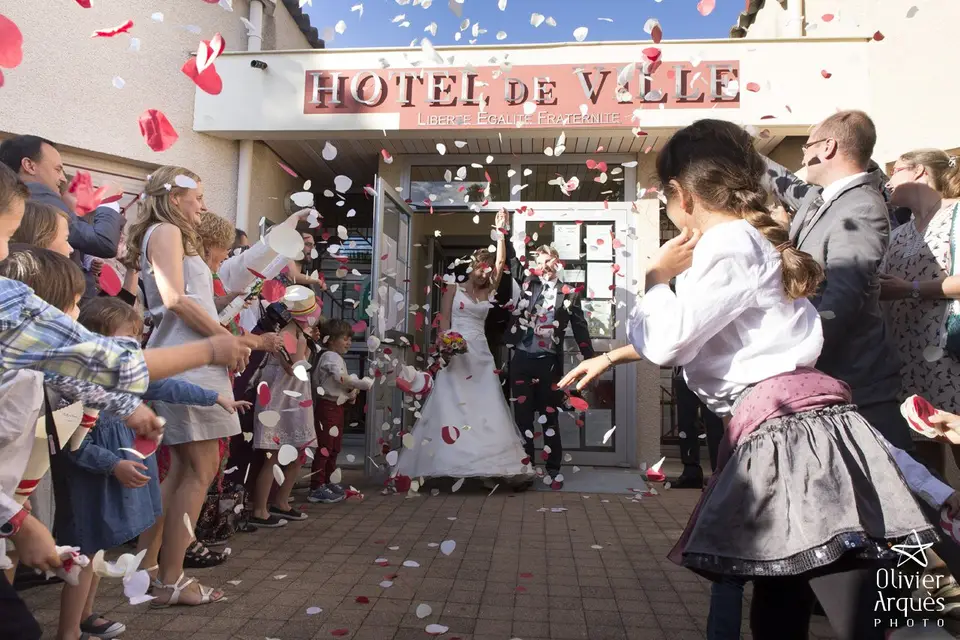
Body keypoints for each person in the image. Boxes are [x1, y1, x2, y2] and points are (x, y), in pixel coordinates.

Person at [560, 119, 935, 640]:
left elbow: (671, 341)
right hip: (785, 425)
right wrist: (619, 350)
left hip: (790, 429)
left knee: (828, 596)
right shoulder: (740, 242)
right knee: (788, 589)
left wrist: (654, 277)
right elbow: (711, 333)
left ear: (681, 195)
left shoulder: (732, 242)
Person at [127, 166, 297, 607]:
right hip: (191, 366)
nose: (202, 205)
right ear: (172, 195)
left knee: (183, 474)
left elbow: (190, 302)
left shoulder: (168, 236)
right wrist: (225, 338)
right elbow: (175, 300)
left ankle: (150, 572)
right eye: (197, 196)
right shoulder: (165, 230)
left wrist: (227, 335)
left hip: (189, 363)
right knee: (196, 475)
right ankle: (171, 580)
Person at [52, 297, 249, 640]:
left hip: (108, 484)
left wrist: (215, 397)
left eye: (136, 342)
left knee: (97, 551)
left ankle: (85, 616)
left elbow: (166, 385)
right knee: (83, 556)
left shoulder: (124, 378)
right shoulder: (78, 385)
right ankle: (68, 631)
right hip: (87, 488)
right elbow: (73, 446)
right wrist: (113, 464)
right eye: (124, 342)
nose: (133, 351)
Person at [761, 110, 911, 451]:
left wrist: (794, 358)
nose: (802, 155)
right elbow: (784, 183)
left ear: (827, 147)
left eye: (807, 146)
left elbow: (843, 299)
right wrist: (735, 144)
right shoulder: (825, 197)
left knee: (904, 479)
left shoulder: (861, 207)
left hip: (857, 376)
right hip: (838, 375)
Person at [395, 210, 531, 483]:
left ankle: (489, 465)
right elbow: (444, 319)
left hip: (480, 355)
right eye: (481, 269)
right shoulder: (452, 288)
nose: (484, 274)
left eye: (488, 271)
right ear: (473, 266)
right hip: (455, 352)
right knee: (452, 403)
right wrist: (445, 345)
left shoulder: (488, 291)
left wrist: (500, 232)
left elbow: (502, 261)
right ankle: (447, 461)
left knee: (485, 405)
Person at [506, 236, 595, 489]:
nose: (543, 266)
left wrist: (592, 360)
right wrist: (503, 235)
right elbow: (512, 263)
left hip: (548, 364)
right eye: (540, 262)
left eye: (548, 261)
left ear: (558, 263)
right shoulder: (527, 284)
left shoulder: (569, 295)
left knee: (549, 417)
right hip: (522, 360)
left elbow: (580, 328)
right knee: (523, 418)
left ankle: (553, 469)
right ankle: (526, 469)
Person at [0, 136, 124, 303]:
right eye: (57, 169)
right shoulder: (38, 193)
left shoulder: (16, 197)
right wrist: (107, 200)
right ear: (29, 166)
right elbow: (103, 242)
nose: (63, 179)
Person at [250, 285, 320, 526]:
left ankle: (281, 502)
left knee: (298, 453)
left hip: (293, 398)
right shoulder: (291, 334)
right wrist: (306, 345)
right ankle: (260, 509)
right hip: (282, 399)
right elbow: (294, 367)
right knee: (274, 455)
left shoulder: (294, 331)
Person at [308, 319, 370, 504]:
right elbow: (339, 378)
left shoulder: (334, 356)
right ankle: (317, 486)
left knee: (333, 447)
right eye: (345, 338)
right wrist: (360, 384)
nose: (349, 342)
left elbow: (338, 382)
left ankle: (327, 481)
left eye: (350, 339)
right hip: (327, 406)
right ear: (331, 339)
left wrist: (351, 392)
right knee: (326, 447)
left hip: (335, 406)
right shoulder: (329, 357)